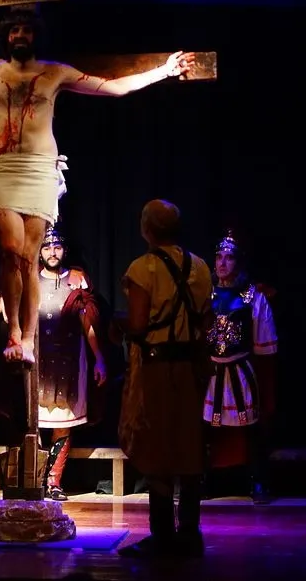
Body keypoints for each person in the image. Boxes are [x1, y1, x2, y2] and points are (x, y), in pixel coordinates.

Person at [0, 7, 195, 365]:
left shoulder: (54, 72)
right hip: (3, 167)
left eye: (26, 30)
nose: (20, 35)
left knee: (28, 258)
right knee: (9, 249)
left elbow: (113, 88)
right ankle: (13, 330)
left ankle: (27, 340)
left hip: (39, 170)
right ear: (6, 37)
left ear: (35, 36)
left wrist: (164, 70)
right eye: (14, 30)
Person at [0, 225, 107, 500]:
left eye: (57, 247)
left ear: (64, 251)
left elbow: (88, 324)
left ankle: (54, 481)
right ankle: (33, 479)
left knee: (63, 422)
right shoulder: (29, 281)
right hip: (36, 366)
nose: (52, 252)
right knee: (33, 424)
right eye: (47, 247)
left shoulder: (76, 281)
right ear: (40, 252)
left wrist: (99, 359)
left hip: (70, 366)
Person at [115, 200, 212, 558]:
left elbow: (139, 325)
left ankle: (163, 537)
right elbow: (206, 320)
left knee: (158, 447)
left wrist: (117, 324)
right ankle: (190, 533)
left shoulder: (144, 268)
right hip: (191, 367)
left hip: (157, 369)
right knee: (188, 446)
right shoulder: (200, 266)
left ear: (147, 229)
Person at [202, 230, 278, 504]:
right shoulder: (205, 294)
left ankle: (259, 480)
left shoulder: (253, 297)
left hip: (240, 370)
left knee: (251, 427)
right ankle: (204, 480)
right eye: (219, 257)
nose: (222, 263)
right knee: (206, 427)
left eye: (229, 258)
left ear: (239, 262)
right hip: (211, 372)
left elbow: (264, 344)